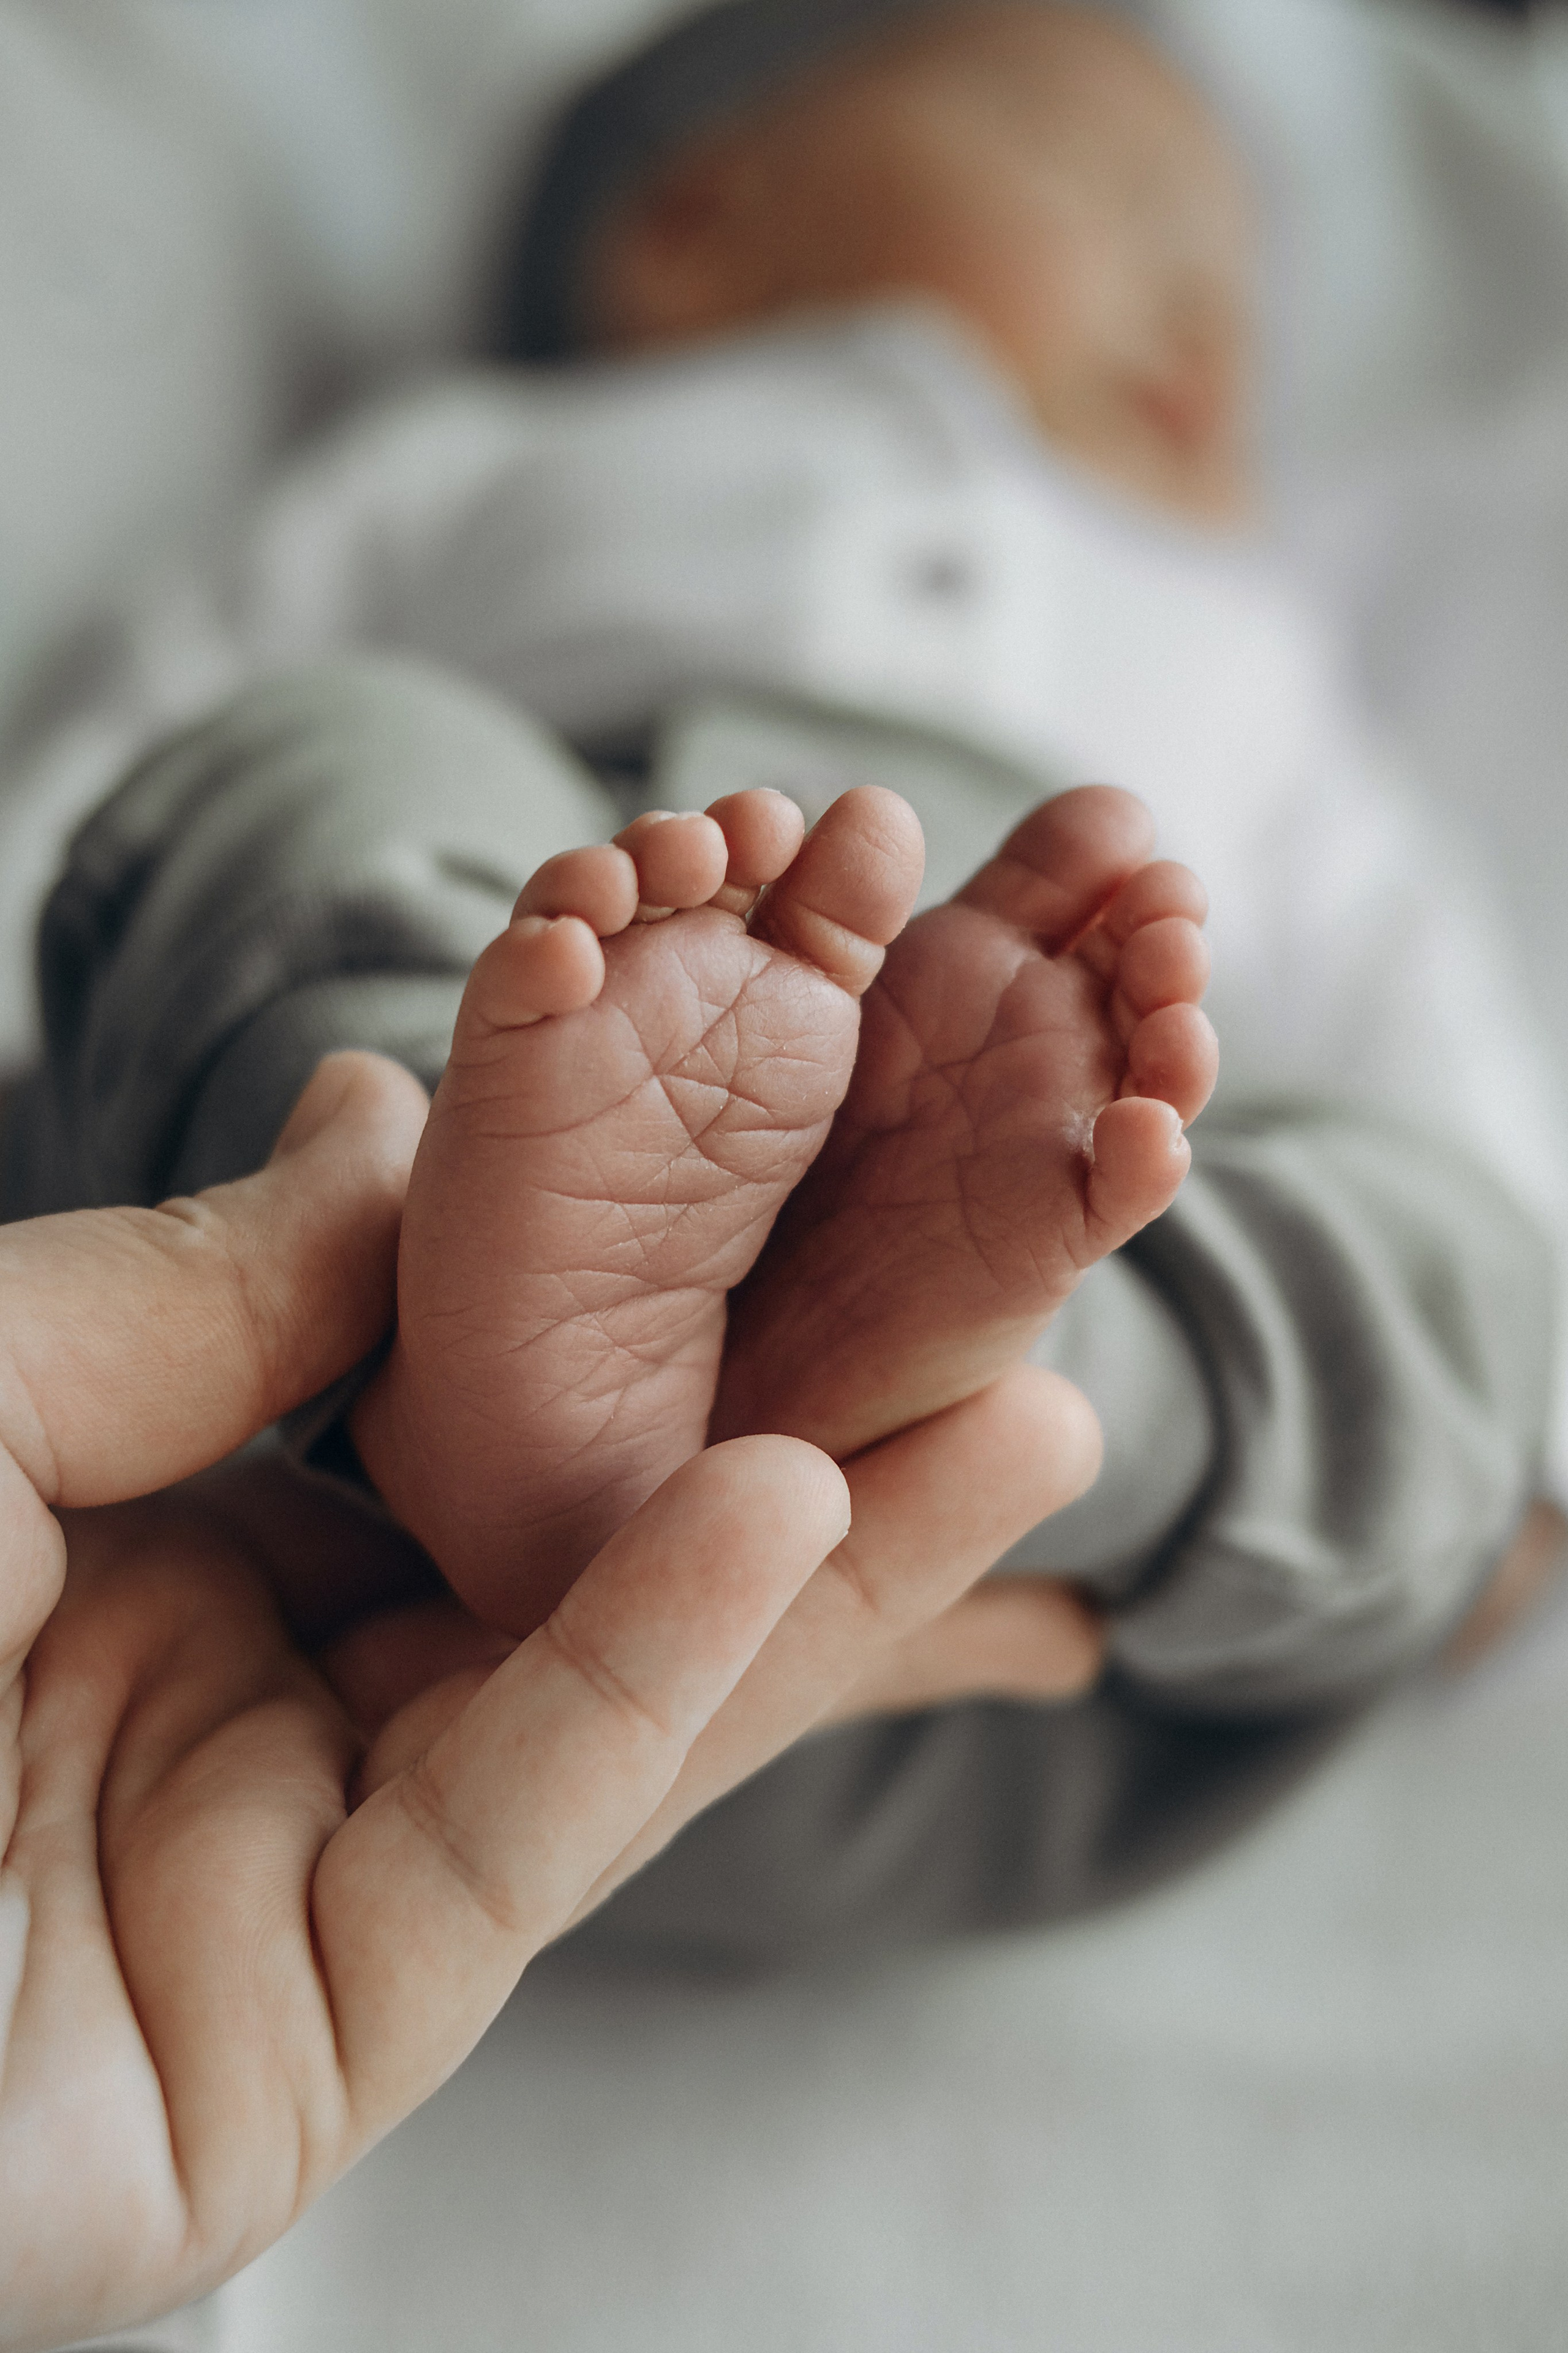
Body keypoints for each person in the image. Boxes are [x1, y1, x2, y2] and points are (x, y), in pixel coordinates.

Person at [1, 0, 1558, 1956]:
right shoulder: (494, 457)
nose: (1205, 306)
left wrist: (1518, 1451)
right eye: (1109, 184)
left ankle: (946, 1367)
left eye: (1236, 270)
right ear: (694, 224)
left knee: (1444, 1257)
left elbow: (1433, 1024)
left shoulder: (1255, 656)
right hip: (344, 1535)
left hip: (947, 1646)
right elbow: (142, 757)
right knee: (317, 760)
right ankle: (470, 1328)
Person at [0, 1044, 1104, 2349]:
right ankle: (524, 1360)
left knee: (928, 1755)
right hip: (389, 1691)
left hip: (223, 1523)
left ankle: (478, 1353)